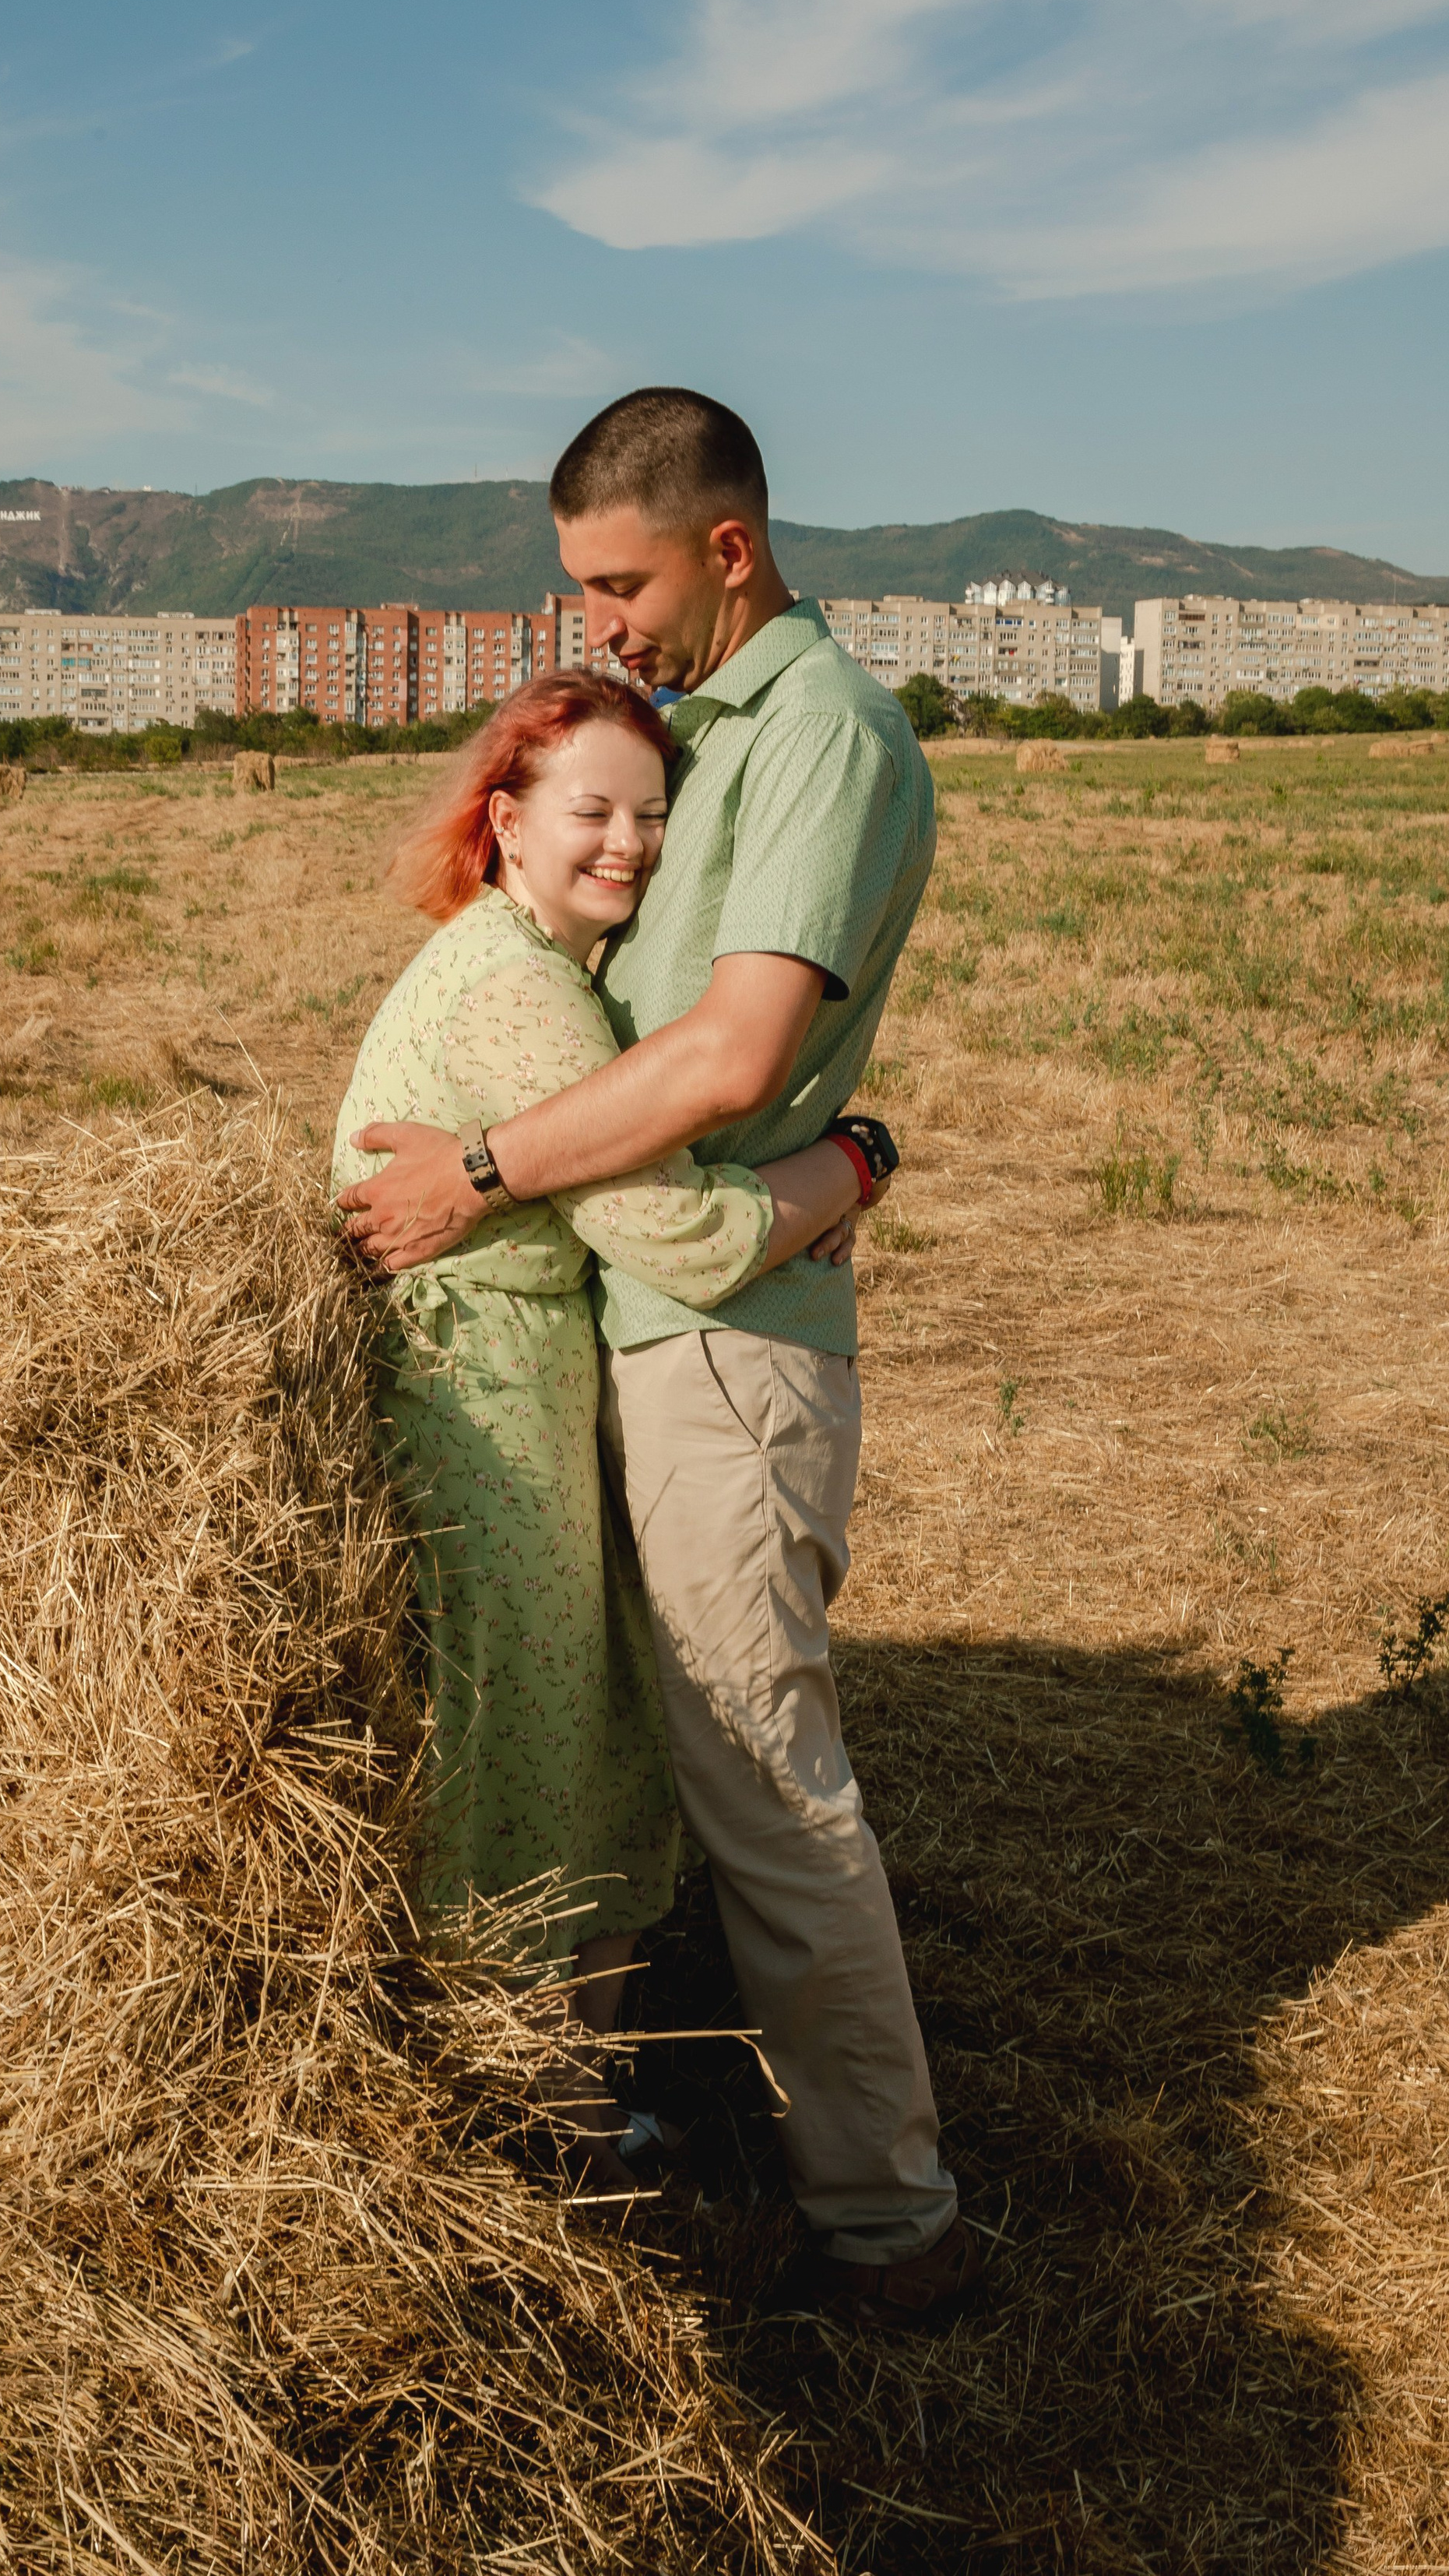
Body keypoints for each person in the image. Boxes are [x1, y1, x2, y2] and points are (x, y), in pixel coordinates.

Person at [339, 387, 979, 2329]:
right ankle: (620, 2103)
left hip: (717, 1336)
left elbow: (724, 1058)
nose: (596, 623)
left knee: (763, 1784)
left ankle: (885, 2227)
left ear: (727, 547)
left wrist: (482, 1169)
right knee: (660, 1751)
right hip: (633, 1320)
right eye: (578, 591)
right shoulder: (704, 735)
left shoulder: (821, 734)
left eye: (618, 584)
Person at [331, 666, 868, 2190]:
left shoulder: (523, 963)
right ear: (505, 821)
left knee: (584, 1740)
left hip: (511, 1395)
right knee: (537, 1758)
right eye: (591, 810)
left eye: (653, 815)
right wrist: (850, 1166)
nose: (627, 844)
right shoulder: (517, 989)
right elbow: (683, 1237)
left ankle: (563, 2099)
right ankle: (526, 2129)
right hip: (482, 1418)